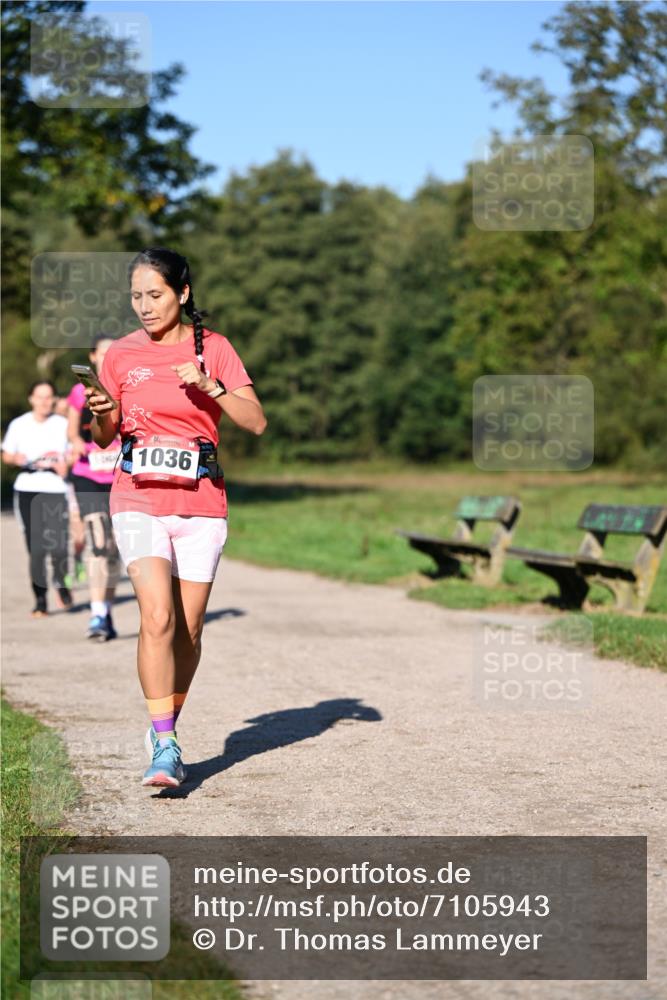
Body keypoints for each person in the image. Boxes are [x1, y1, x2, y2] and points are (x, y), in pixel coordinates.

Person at [87, 247, 267, 787]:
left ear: (182, 294)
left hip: (201, 503)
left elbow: (255, 421)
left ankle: (165, 723)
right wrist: (101, 416)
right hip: (137, 497)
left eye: (155, 294)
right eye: (137, 296)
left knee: (188, 629)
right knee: (158, 619)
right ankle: (164, 743)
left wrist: (210, 386)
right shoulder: (119, 354)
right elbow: (105, 435)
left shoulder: (215, 348)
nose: (144, 305)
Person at [67, 335, 123, 641]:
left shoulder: (126, 388)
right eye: (104, 352)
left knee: (113, 549)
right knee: (99, 541)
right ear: (92, 356)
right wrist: (83, 446)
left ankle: (105, 609)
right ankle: (97, 613)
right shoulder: (79, 392)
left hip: (120, 477)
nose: (109, 356)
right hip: (88, 475)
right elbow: (72, 433)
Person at [1, 380, 73, 617]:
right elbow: (7, 455)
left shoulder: (63, 424)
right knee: (37, 549)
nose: (44, 401)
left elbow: (75, 452)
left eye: (49, 396)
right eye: (40, 396)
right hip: (28, 488)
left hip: (56, 489)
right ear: (31, 398)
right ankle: (40, 600)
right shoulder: (19, 424)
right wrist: (16, 458)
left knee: (60, 546)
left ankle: (61, 581)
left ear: (54, 399)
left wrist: (67, 464)